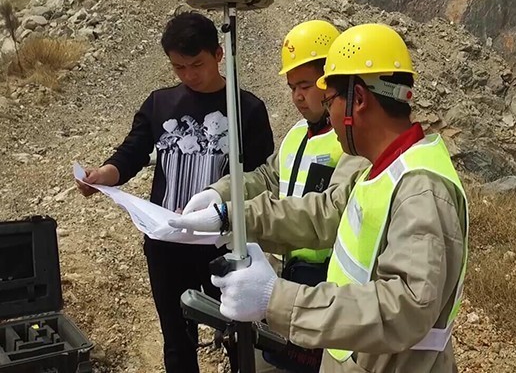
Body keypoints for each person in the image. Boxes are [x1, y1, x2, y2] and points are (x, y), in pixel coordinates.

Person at [170, 23, 469, 372]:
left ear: (358, 100)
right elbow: (323, 212)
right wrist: (231, 216)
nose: (327, 114)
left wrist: (277, 299)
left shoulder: (421, 190)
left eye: (330, 101)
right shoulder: (382, 168)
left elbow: (406, 307)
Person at [75, 11, 275, 373]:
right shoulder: (160, 104)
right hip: (166, 242)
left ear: (218, 54)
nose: (189, 75)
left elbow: (261, 178)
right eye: (178, 67)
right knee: (177, 339)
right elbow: (132, 152)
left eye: (196, 65)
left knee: (238, 334)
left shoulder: (247, 109)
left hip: (223, 243)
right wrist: (105, 174)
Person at [180, 20, 370, 373]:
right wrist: (217, 192)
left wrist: (234, 216)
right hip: (283, 276)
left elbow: (328, 213)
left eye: (306, 86)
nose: (297, 97)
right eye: (292, 87)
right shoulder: (297, 135)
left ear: (331, 81)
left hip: (324, 285)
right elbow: (268, 177)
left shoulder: (352, 145)